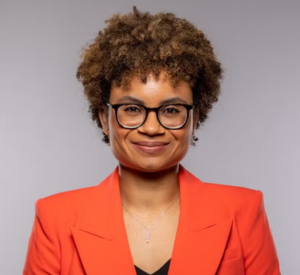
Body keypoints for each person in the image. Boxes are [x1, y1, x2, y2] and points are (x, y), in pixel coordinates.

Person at [23, 6, 280, 275]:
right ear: (104, 118)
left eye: (171, 111)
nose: (151, 127)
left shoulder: (244, 210)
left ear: (194, 119)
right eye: (132, 110)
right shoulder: (55, 217)